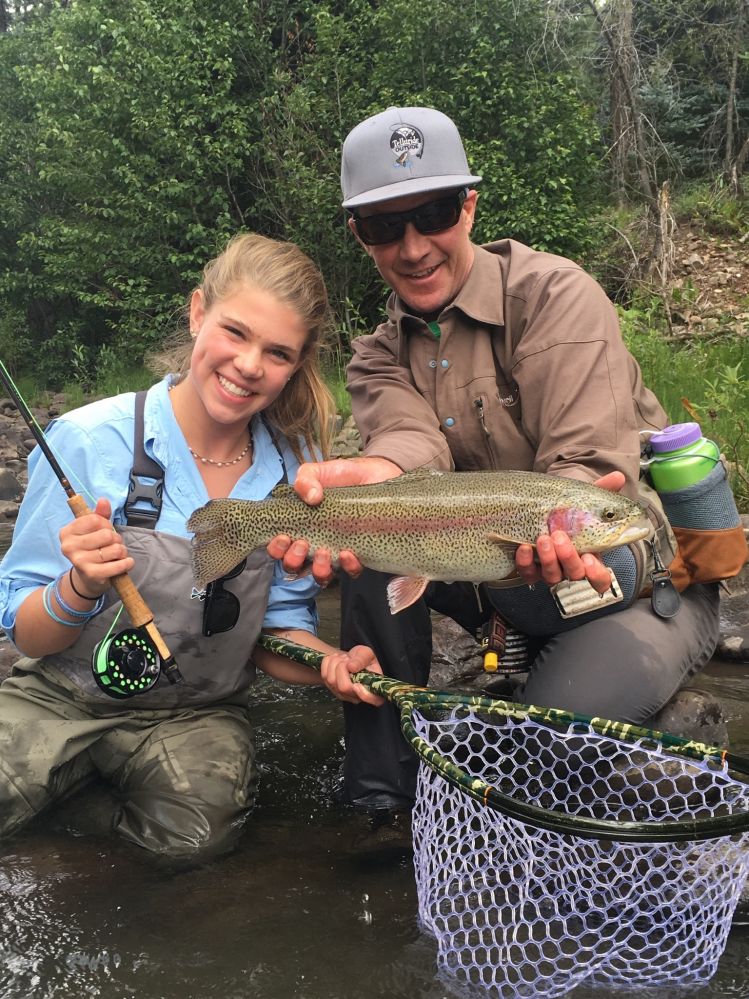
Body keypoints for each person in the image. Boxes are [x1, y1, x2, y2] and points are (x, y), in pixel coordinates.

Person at [268, 106, 733, 829]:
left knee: (537, 748)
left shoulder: (553, 295)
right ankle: (381, 800)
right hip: (496, 583)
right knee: (366, 540)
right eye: (386, 225)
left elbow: (585, 465)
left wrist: (562, 522)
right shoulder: (376, 355)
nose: (414, 245)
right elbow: (407, 444)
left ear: (469, 205)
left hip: (629, 588)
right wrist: (377, 474)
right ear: (359, 235)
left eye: (432, 212)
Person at [0, 232, 381, 862]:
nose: (250, 365)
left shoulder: (299, 473)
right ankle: (78, 799)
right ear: (198, 312)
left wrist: (329, 666)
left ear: (298, 363)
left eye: (277, 352)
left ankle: (72, 810)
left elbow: (277, 634)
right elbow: (27, 635)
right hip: (59, 695)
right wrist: (79, 587)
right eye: (235, 332)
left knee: (192, 846)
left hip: (198, 712)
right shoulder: (88, 440)